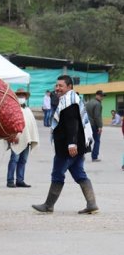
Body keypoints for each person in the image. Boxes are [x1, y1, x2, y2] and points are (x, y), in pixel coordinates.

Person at [32, 75, 99, 214]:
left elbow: (72, 124)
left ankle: (48, 205)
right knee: (80, 174)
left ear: (69, 87)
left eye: (61, 86)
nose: (57, 88)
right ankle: (92, 203)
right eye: (56, 86)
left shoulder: (69, 102)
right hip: (76, 147)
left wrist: (71, 144)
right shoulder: (71, 100)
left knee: (57, 174)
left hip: (68, 148)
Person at [6, 89, 39, 188]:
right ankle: (10, 180)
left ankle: (20, 180)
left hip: (27, 139)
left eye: (23, 95)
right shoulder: (12, 109)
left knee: (23, 161)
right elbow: (9, 123)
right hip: (17, 139)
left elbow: (32, 125)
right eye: (19, 95)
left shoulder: (28, 110)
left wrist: (32, 137)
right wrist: (13, 135)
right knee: (14, 160)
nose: (21, 97)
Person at [85, 90, 105, 161]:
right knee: (97, 140)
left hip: (87, 124)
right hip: (94, 125)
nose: (102, 98)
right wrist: (100, 126)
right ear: (97, 95)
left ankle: (80, 155)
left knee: (87, 140)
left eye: (103, 96)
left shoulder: (88, 102)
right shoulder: (98, 104)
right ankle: (94, 157)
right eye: (101, 96)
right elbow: (97, 116)